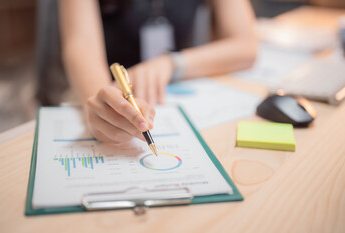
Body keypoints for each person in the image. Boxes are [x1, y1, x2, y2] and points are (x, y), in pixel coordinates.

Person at [60, 0, 257, 144]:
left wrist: (171, 63)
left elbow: (246, 45)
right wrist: (100, 101)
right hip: (105, 85)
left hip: (168, 88)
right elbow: (81, 45)